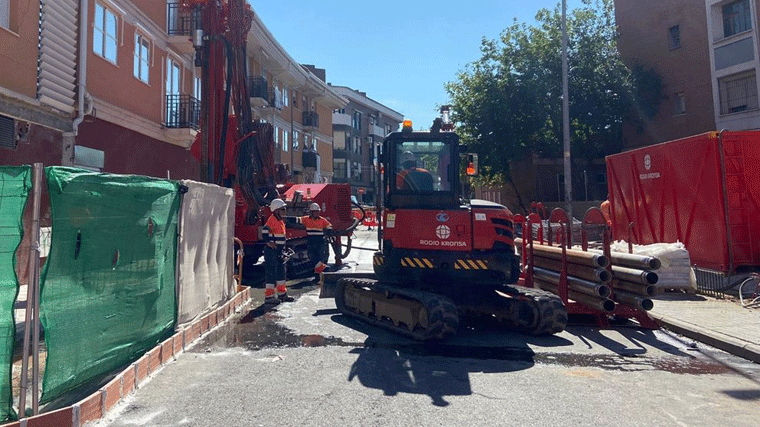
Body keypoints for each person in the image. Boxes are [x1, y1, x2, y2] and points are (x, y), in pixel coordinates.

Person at [262, 198, 293, 304]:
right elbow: (264, 231)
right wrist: (268, 242)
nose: (284, 211)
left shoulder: (279, 220)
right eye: (282, 209)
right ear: (276, 210)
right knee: (271, 273)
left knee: (281, 272)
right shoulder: (272, 220)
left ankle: (282, 294)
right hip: (272, 251)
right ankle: (269, 297)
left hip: (279, 250)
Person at [299, 203, 332, 282]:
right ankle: (323, 268)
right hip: (311, 241)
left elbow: (329, 227)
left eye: (317, 211)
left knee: (319, 258)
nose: (317, 213)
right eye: (315, 212)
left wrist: (327, 234)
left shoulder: (322, 220)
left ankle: (318, 277)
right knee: (312, 257)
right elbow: (297, 220)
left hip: (319, 241)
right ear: (311, 212)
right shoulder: (306, 219)